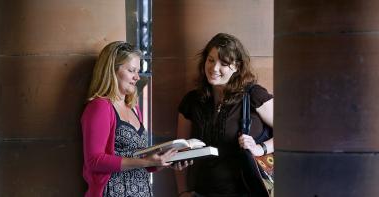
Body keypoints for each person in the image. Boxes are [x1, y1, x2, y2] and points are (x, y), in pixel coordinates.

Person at [81, 41, 190, 197]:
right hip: (112, 192)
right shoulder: (100, 107)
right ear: (112, 70)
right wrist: (147, 162)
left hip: (142, 191)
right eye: (132, 70)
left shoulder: (133, 107)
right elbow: (94, 161)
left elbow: (138, 162)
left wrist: (163, 162)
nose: (137, 77)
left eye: (138, 71)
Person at [175, 33, 275, 197]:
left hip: (247, 192)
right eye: (211, 60)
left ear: (237, 66)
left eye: (224, 63)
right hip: (203, 192)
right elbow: (179, 151)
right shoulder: (192, 101)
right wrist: (182, 192)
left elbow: (290, 133)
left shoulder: (253, 96)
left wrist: (260, 148)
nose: (214, 68)